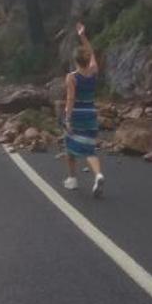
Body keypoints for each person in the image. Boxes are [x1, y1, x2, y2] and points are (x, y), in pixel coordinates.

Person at [64, 22, 104, 197]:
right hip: (91, 113)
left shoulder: (72, 77)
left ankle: (72, 179)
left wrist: (67, 118)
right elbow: (92, 52)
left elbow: (70, 98)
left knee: (70, 148)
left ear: (75, 60)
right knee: (89, 149)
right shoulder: (94, 71)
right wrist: (83, 35)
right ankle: (98, 174)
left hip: (77, 114)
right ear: (88, 60)